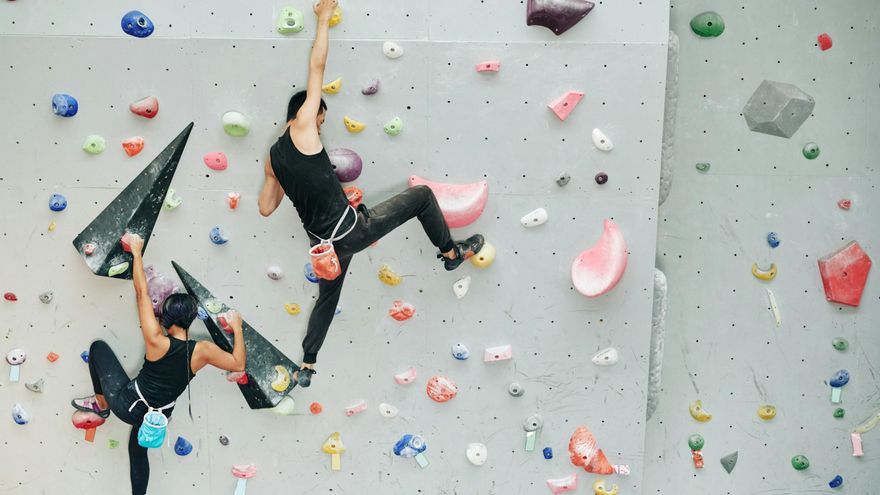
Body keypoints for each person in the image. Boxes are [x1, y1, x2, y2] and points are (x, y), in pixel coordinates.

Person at [257, 0, 484, 388]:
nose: (322, 129)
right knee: (424, 196)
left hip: (325, 250)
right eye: (320, 120)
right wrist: (324, 19)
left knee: (327, 299)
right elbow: (317, 67)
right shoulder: (304, 127)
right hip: (352, 233)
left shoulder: (273, 159)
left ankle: (308, 364)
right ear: (305, 115)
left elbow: (265, 208)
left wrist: (283, 183)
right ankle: (451, 253)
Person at [71, 234, 247, 495]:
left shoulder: (157, 341)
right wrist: (237, 328)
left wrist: (137, 253)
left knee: (98, 349)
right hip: (157, 419)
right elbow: (238, 363)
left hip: (127, 404)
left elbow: (142, 292)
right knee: (138, 453)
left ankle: (102, 405)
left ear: (166, 317)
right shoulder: (203, 351)